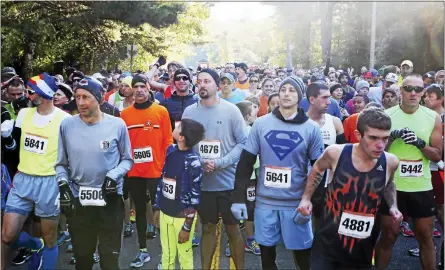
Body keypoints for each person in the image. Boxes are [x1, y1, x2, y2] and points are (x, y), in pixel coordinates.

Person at [231, 76, 324, 270]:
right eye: (283, 89)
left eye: (292, 90)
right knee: (267, 257)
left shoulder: (311, 129)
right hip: (265, 203)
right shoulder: (261, 124)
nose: (287, 93)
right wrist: (238, 197)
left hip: (296, 203)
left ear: (300, 96)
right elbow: (246, 163)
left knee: (303, 257)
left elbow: (319, 169)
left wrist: (313, 202)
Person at [299, 107, 402, 269]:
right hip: (329, 241)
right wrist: (306, 198)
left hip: (363, 244)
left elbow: (389, 183)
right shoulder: (336, 153)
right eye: (373, 138)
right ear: (358, 135)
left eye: (385, 138)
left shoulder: (390, 161)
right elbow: (317, 169)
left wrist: (393, 206)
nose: (380, 145)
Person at [55, 77, 133, 270]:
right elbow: (60, 163)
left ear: (99, 99)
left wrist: (113, 175)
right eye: (77, 97)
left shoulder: (117, 125)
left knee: (109, 259)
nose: (81, 102)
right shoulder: (67, 125)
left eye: (86, 97)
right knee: (82, 258)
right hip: (79, 199)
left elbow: (127, 159)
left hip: (110, 199)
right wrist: (63, 184)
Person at [2, 73, 71, 270]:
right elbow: (13, 148)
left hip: (49, 182)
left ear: (44, 93)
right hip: (23, 180)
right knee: (7, 236)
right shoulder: (24, 114)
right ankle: (35, 245)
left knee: (50, 238)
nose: (28, 95)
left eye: (31, 92)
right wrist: (7, 138)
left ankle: (44, 252)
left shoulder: (64, 120)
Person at [182, 68, 248, 269]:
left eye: (207, 81)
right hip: (203, 183)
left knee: (233, 230)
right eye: (199, 81)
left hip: (229, 182)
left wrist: (220, 163)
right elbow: (184, 145)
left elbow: (243, 143)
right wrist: (196, 162)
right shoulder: (190, 112)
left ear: (217, 86)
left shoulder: (231, 110)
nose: (202, 84)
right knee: (208, 229)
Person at [376, 74, 443, 270]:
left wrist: (419, 143)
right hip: (392, 186)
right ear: (401, 91)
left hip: (421, 186)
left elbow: (437, 156)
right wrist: (390, 139)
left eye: (418, 89)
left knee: (425, 236)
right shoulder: (386, 116)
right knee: (389, 234)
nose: (413, 93)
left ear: (423, 92)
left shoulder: (433, 117)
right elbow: (375, 153)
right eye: (408, 89)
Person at [120, 74, 173, 268]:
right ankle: (142, 251)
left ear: (149, 88)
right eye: (136, 87)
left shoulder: (161, 111)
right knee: (140, 212)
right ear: (132, 90)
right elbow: (123, 144)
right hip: (135, 172)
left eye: (143, 86)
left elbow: (168, 140)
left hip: (157, 171)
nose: (140, 90)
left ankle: (165, 256)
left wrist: (167, 166)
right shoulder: (125, 115)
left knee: (161, 213)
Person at [153, 118, 204, 269]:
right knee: (167, 255)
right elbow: (162, 180)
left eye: (179, 126)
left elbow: (194, 198)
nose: (175, 126)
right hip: (165, 213)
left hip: (182, 218)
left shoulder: (193, 161)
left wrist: (187, 227)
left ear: (182, 137)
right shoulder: (170, 150)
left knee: (184, 257)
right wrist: (157, 207)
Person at [410, 83, 444, 264]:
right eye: (427, 95)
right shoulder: (421, 114)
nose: (426, 98)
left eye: (431, 96)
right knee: (423, 215)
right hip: (423, 170)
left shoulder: (441, 118)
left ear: (442, 99)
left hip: (439, 171)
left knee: (440, 212)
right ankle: (426, 244)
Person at [306, 83, 346, 228]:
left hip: (328, 182)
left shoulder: (335, 122)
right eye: (324, 98)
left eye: (329, 97)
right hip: (304, 179)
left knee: (323, 222)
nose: (329, 102)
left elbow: (343, 154)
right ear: (312, 99)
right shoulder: (301, 123)